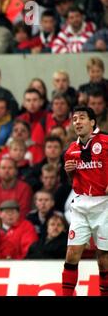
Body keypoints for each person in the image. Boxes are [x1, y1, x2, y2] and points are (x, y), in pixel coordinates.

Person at [62, 105, 108, 296]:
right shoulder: (71, 150)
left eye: (81, 118)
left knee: (103, 259)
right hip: (81, 205)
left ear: (92, 122)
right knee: (72, 254)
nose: (77, 122)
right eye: (74, 119)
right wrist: (69, 173)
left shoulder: (105, 142)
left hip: (104, 205)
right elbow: (73, 181)